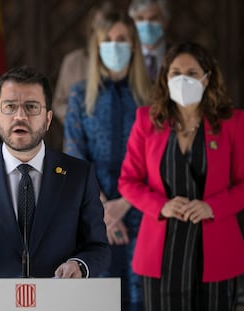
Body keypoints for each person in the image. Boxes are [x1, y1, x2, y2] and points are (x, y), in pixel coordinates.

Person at [0, 66, 110, 279]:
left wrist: (80, 265)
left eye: (31, 106)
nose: (20, 116)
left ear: (48, 119)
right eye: (10, 106)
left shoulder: (79, 175)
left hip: (59, 300)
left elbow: (98, 247)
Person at [118, 42, 244, 310]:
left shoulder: (231, 123)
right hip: (161, 254)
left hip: (216, 254)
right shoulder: (147, 120)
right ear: (165, 78)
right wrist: (161, 206)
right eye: (175, 73)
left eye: (191, 73)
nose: (182, 79)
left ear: (207, 77)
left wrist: (212, 207)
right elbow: (128, 182)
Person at [63, 10, 151, 311]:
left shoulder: (151, 97)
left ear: (134, 45)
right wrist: (103, 209)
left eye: (122, 39)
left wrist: (123, 204)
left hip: (142, 210)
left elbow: (158, 158)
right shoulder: (79, 95)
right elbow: (75, 155)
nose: (115, 46)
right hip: (93, 212)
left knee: (140, 295)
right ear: (97, 46)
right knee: (100, 298)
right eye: (108, 40)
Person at [52, 0, 114, 124]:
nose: (102, 32)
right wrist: (77, 118)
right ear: (91, 26)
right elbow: (59, 103)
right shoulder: (73, 61)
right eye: (99, 25)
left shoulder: (121, 60)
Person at [128, 0, 169, 81]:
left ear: (165, 21)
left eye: (153, 18)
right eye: (140, 18)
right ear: (133, 22)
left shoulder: (177, 55)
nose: (147, 24)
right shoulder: (125, 57)